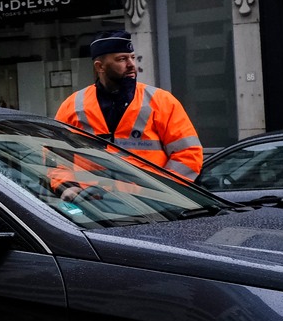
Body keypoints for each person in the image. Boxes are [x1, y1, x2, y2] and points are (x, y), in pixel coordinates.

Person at [53, 29, 203, 201]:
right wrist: (67, 187)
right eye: (122, 59)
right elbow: (55, 157)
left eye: (132, 57)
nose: (131, 64)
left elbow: (188, 153)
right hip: (93, 206)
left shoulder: (161, 101)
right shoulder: (72, 106)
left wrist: (164, 192)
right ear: (100, 67)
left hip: (151, 205)